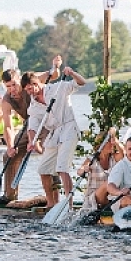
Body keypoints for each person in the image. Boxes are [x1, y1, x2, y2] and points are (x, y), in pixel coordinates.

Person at [23, 66, 86, 208]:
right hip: (54, 134)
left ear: (36, 84)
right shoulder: (33, 105)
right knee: (43, 170)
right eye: (26, 90)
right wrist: (32, 141)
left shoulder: (58, 88)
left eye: (30, 88)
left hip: (69, 128)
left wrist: (72, 73)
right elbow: (32, 127)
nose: (29, 92)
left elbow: (82, 82)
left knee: (62, 168)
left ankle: (68, 206)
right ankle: (52, 204)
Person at [0, 63, 59, 203]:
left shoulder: (30, 80)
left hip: (46, 122)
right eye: (8, 86)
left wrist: (55, 67)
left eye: (14, 84)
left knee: (48, 153)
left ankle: (55, 196)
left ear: (19, 79)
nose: (12, 89)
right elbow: (8, 126)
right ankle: (10, 196)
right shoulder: (6, 100)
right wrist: (10, 147)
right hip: (29, 125)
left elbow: (54, 74)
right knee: (9, 156)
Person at [76, 128, 124, 213]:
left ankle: (115, 205)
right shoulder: (92, 159)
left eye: (111, 142)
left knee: (111, 185)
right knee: (108, 184)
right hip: (95, 197)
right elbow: (79, 171)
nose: (111, 144)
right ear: (102, 145)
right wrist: (84, 169)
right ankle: (119, 196)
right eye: (109, 142)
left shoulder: (114, 158)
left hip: (110, 196)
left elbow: (123, 154)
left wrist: (115, 141)